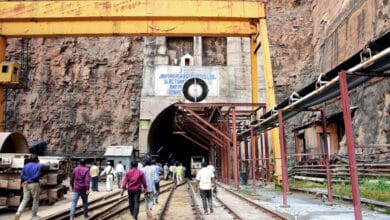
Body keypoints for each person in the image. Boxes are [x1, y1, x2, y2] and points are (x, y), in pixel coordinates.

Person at [15, 154, 42, 220]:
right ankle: (33, 215)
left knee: (25, 199)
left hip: (25, 184)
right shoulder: (38, 166)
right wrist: (30, 180)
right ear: (37, 160)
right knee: (35, 200)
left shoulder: (25, 166)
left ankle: (18, 214)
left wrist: (26, 180)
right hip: (34, 184)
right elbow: (37, 175)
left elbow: (21, 175)